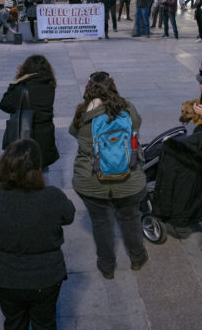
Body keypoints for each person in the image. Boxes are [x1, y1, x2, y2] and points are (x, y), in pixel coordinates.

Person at [0, 139, 75, 330]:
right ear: (38, 168)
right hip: (46, 276)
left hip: (4, 274)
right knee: (45, 323)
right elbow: (69, 215)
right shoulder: (52, 196)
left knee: (14, 322)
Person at [69, 71, 147, 279]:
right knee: (130, 218)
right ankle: (137, 258)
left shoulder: (82, 113)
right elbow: (137, 127)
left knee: (101, 223)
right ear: (112, 85)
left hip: (92, 181)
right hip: (130, 180)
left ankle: (107, 266)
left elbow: (74, 132)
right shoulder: (128, 109)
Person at [0, 55, 59, 167]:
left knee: (26, 172)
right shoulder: (50, 85)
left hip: (27, 135)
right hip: (46, 136)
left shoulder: (22, 86)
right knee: (41, 169)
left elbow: (4, 105)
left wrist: (16, 81)